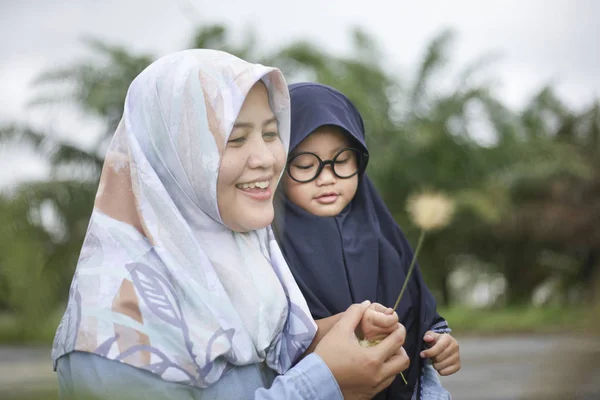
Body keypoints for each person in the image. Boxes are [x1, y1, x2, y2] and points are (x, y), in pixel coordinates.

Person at [51, 50, 410, 400]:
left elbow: (266, 362)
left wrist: (327, 337)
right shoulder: (116, 327)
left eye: (271, 134)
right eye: (234, 139)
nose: (267, 159)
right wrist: (325, 383)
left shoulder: (246, 253)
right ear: (173, 156)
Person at [273, 82, 461, 400]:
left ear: (360, 161)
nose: (327, 176)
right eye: (305, 164)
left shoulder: (384, 235)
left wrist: (441, 344)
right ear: (277, 167)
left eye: (342, 160)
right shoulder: (268, 249)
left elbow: (425, 320)